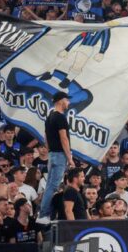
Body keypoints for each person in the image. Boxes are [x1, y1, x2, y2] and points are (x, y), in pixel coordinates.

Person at [36, 91, 74, 225]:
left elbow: (46, 138)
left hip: (53, 154)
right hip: (59, 154)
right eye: (67, 100)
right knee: (53, 185)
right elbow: (64, 138)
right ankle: (43, 214)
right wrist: (69, 158)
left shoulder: (49, 117)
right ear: (61, 101)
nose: (68, 103)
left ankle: (43, 213)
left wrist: (50, 150)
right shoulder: (60, 117)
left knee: (50, 186)